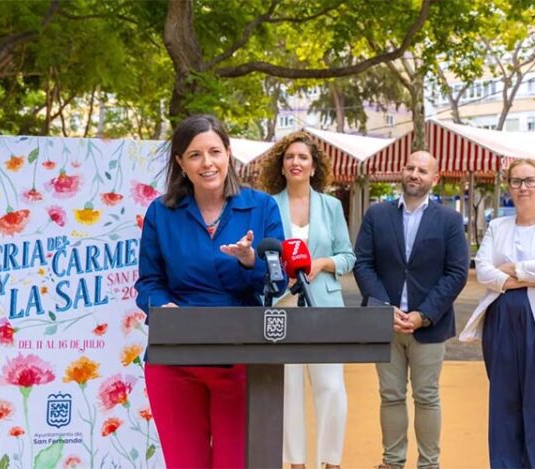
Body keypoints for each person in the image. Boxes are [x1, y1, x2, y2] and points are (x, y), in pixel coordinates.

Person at [135, 114, 286, 468]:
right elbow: (149, 283)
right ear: (180, 163)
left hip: (241, 358)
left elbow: (277, 283)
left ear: (229, 154)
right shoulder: (161, 212)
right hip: (175, 359)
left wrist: (251, 261)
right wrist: (162, 307)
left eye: (215, 152)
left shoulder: (261, 207)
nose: (207, 163)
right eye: (195, 155)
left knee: (235, 462)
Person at [459, 158, 535, 468]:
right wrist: (523, 276)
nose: (523, 187)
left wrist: (510, 271)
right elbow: (483, 271)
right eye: (516, 181)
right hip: (501, 322)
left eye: (529, 180)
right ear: (508, 186)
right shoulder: (498, 226)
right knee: (504, 403)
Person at [353, 151, 469, 469]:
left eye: (422, 170)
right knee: (390, 394)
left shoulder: (449, 220)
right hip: (385, 322)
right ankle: (392, 462)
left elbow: (456, 272)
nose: (414, 174)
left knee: (426, 395)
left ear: (435, 178)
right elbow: (363, 263)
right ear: (401, 173)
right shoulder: (377, 215)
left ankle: (429, 464)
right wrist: (382, 308)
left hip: (429, 325)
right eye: (410, 168)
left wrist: (423, 314)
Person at [259, 131, 355, 469]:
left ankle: (330, 462)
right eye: (290, 157)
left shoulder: (330, 206)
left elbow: (347, 257)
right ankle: (296, 463)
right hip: (282, 306)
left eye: (303, 158)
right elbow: (262, 257)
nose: (296, 162)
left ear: (314, 167)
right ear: (281, 166)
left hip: (326, 308)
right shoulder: (268, 205)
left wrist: (323, 263)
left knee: (331, 387)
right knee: (289, 389)